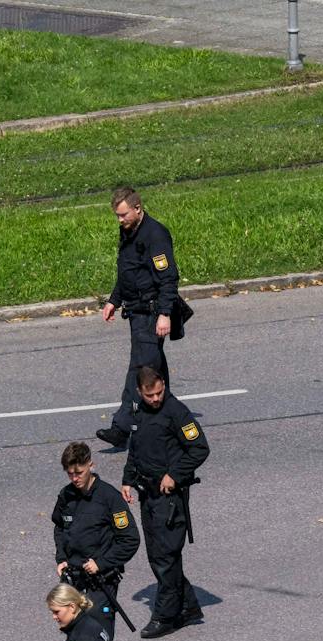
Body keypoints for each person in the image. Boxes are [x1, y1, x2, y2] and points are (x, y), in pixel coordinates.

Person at [122, 366, 210, 638]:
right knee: (157, 555)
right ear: (140, 392)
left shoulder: (176, 411)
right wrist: (127, 479)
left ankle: (165, 616)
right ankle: (188, 607)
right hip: (148, 493)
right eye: (150, 395)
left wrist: (175, 474)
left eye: (159, 392)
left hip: (169, 497)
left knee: (165, 557)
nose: (156, 399)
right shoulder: (139, 410)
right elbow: (136, 448)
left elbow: (199, 448)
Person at [97, 187, 184, 449]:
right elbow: (128, 270)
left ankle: (121, 428)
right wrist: (114, 299)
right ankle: (175, 421)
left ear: (137, 208)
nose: (119, 220)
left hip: (151, 313)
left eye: (123, 215)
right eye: (117, 216)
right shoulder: (129, 231)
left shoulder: (155, 235)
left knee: (139, 370)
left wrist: (165, 314)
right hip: (136, 311)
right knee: (156, 372)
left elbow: (168, 278)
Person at [52, 441, 140, 639]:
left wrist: (101, 563)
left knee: (97, 636)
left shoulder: (110, 498)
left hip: (99, 581)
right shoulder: (66, 496)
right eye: (70, 474)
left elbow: (130, 540)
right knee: (74, 635)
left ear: (91, 465)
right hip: (73, 577)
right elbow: (59, 527)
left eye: (79, 472)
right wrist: (61, 558)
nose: (74, 478)